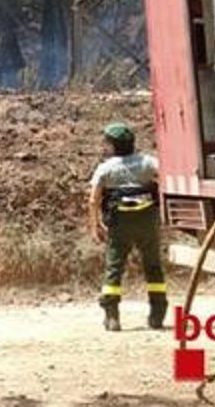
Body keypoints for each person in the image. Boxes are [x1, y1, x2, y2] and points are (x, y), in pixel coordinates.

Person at [87, 122, 166, 332]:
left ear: (112, 145)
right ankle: (157, 315)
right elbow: (166, 179)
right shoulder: (148, 162)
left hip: (119, 223)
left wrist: (95, 226)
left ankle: (112, 317)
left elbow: (93, 200)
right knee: (153, 266)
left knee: (114, 267)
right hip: (147, 220)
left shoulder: (105, 168)